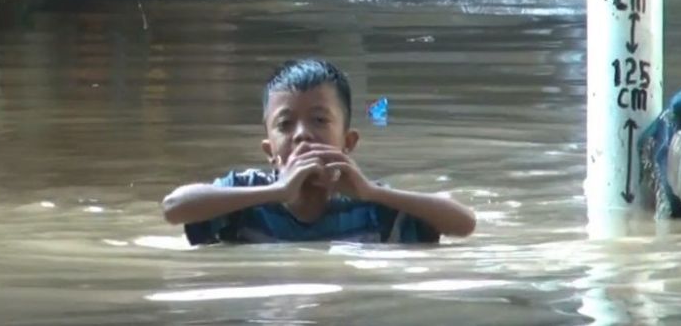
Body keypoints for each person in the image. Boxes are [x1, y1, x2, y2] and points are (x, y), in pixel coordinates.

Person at [161, 58, 477, 245]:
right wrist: (277, 190)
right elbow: (174, 207)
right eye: (285, 125)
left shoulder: (370, 204)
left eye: (319, 120)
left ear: (348, 142)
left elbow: (463, 223)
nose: (302, 135)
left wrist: (371, 192)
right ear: (270, 150)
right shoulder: (247, 195)